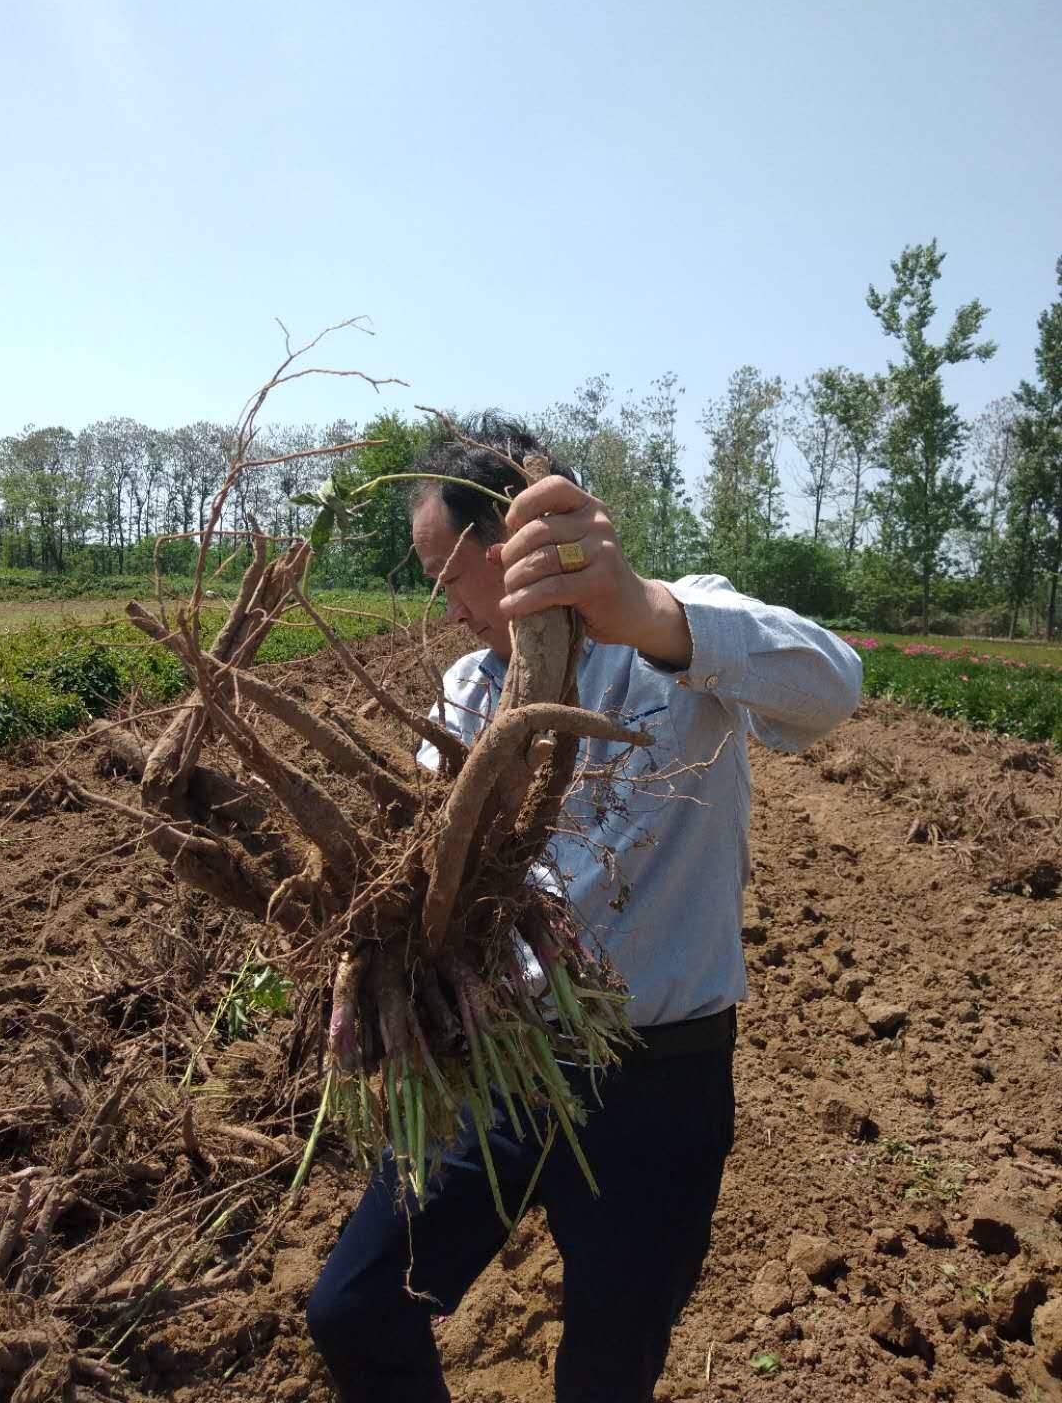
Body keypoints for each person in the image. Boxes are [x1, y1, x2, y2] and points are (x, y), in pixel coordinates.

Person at [307, 414, 863, 1402]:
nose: (442, 607)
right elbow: (434, 876)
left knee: (608, 1371)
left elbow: (833, 688)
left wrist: (643, 611)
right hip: (500, 1064)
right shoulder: (467, 691)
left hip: (659, 1081)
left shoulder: (679, 626)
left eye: (445, 573)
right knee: (353, 1307)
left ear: (516, 545)